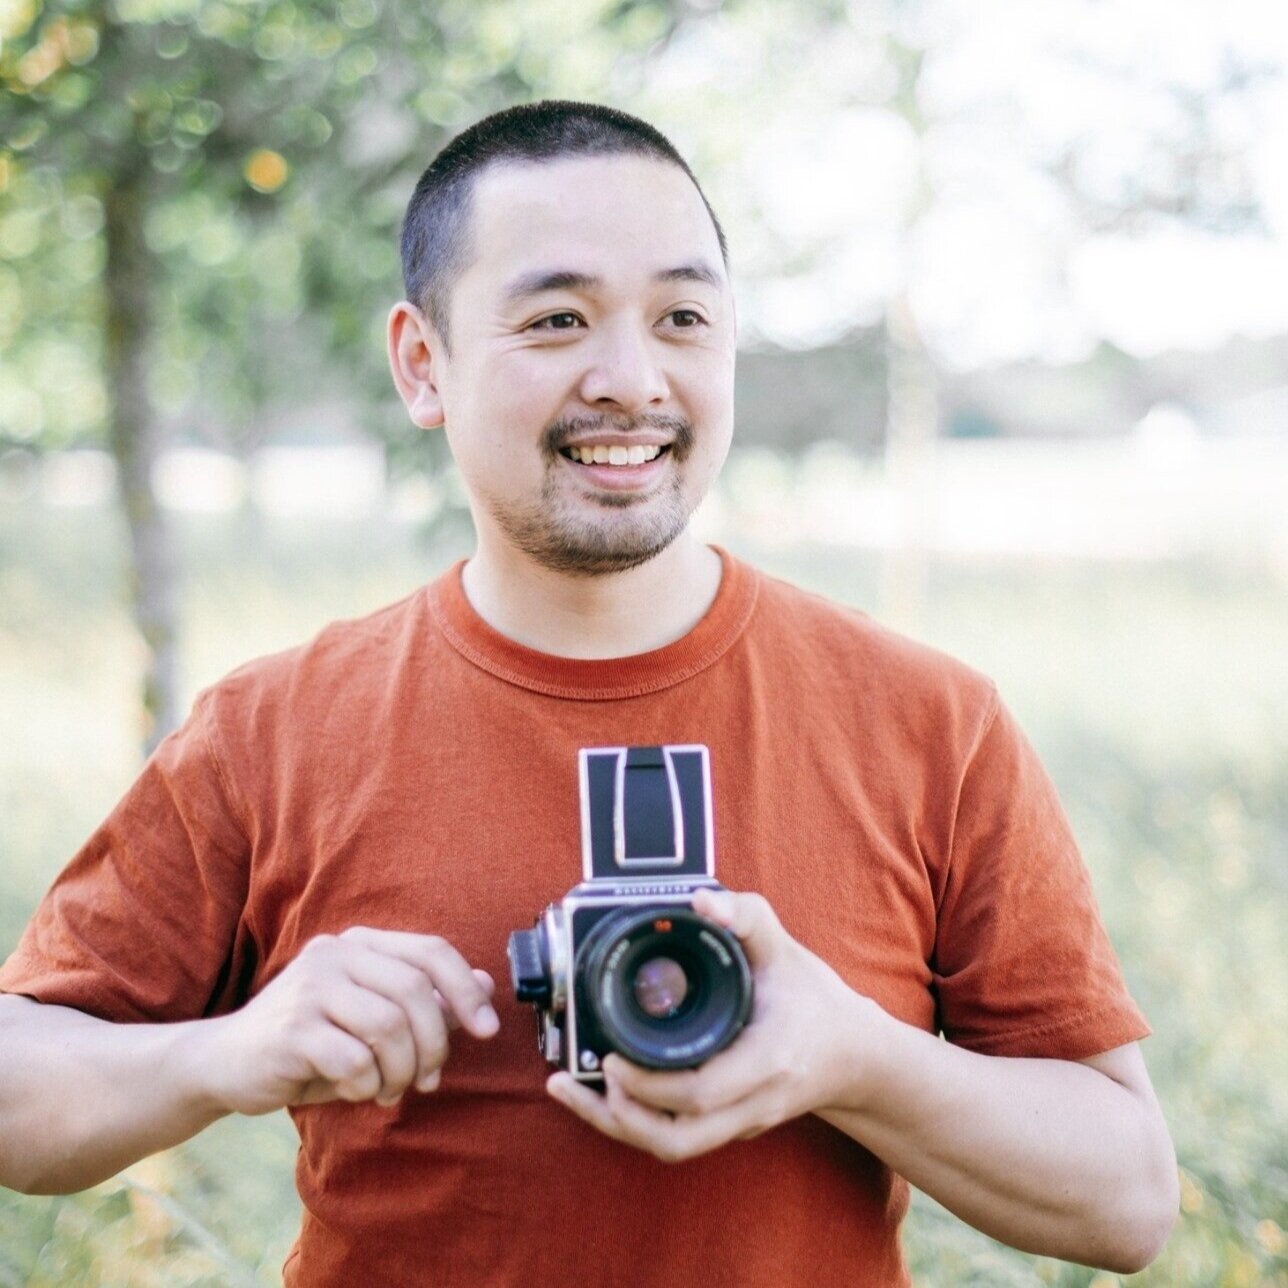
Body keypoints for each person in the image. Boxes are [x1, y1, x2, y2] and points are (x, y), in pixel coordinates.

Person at [0, 101, 1177, 1286]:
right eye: (557, 319)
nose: (631, 379)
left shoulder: (929, 721)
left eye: (682, 317)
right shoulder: (273, 730)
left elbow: (1126, 1200)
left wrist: (858, 1061)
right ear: (422, 364)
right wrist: (224, 1055)